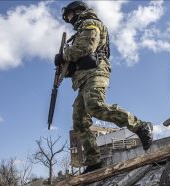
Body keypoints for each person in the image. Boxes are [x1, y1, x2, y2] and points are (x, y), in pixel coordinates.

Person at [55, 1, 153, 173]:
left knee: (95, 106)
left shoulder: (90, 23)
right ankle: (94, 160)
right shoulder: (79, 31)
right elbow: (76, 61)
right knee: (79, 121)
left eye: (70, 15)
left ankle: (139, 125)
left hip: (97, 72)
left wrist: (63, 55)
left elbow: (86, 47)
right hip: (83, 79)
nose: (70, 19)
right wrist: (65, 66)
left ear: (78, 11)